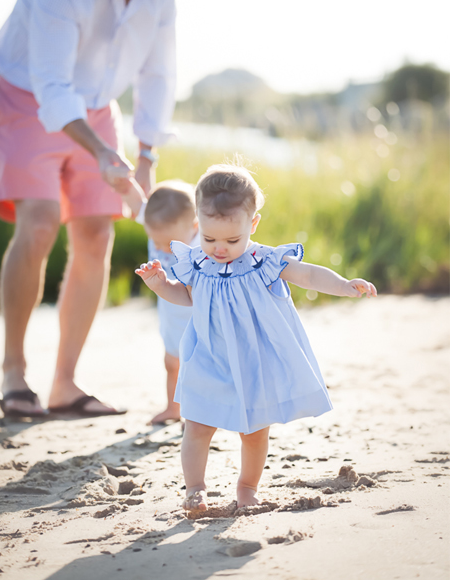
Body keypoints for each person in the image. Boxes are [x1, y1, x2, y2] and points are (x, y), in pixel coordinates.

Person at [0, 0, 180, 420]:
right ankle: (13, 375)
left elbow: (157, 73)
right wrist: (101, 153)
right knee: (41, 221)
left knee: (97, 231)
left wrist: (145, 155)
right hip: (29, 98)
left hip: (97, 108)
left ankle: (65, 384)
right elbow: (53, 85)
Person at [136, 165, 377, 516]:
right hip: (208, 357)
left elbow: (307, 274)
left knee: (253, 431)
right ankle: (195, 488)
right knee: (198, 426)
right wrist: (159, 284)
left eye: (232, 240)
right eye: (208, 238)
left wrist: (342, 285)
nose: (219, 249)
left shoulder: (264, 260)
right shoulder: (198, 263)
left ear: (253, 224)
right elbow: (187, 297)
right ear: (198, 225)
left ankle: (247, 486)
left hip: (252, 361)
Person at [139, 180, 197, 425]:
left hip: (197, 319)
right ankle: (173, 407)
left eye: (169, 244)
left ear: (195, 227)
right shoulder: (159, 223)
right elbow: (135, 201)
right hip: (171, 316)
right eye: (156, 243)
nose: (162, 249)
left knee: (198, 368)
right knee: (171, 362)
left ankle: (198, 414)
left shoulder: (204, 245)